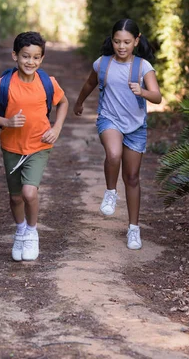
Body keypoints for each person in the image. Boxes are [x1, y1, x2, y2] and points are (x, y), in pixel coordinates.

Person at [73, 18, 162, 250]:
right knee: (113, 155)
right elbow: (89, 84)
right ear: (111, 41)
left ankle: (134, 229)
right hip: (109, 118)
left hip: (136, 127)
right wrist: (79, 103)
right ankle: (111, 192)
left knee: (132, 177)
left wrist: (142, 91)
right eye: (117, 42)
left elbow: (157, 96)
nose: (121, 47)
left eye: (126, 42)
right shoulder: (102, 64)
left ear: (136, 41)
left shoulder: (143, 67)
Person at [0, 31, 69, 261]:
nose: (30, 62)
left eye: (36, 57)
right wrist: (6, 123)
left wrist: (56, 129)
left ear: (42, 59)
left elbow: (63, 102)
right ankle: (20, 230)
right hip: (11, 146)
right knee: (15, 197)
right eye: (25, 56)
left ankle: (31, 231)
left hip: (39, 145)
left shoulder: (47, 83)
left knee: (29, 192)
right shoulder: (4, 84)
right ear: (15, 56)